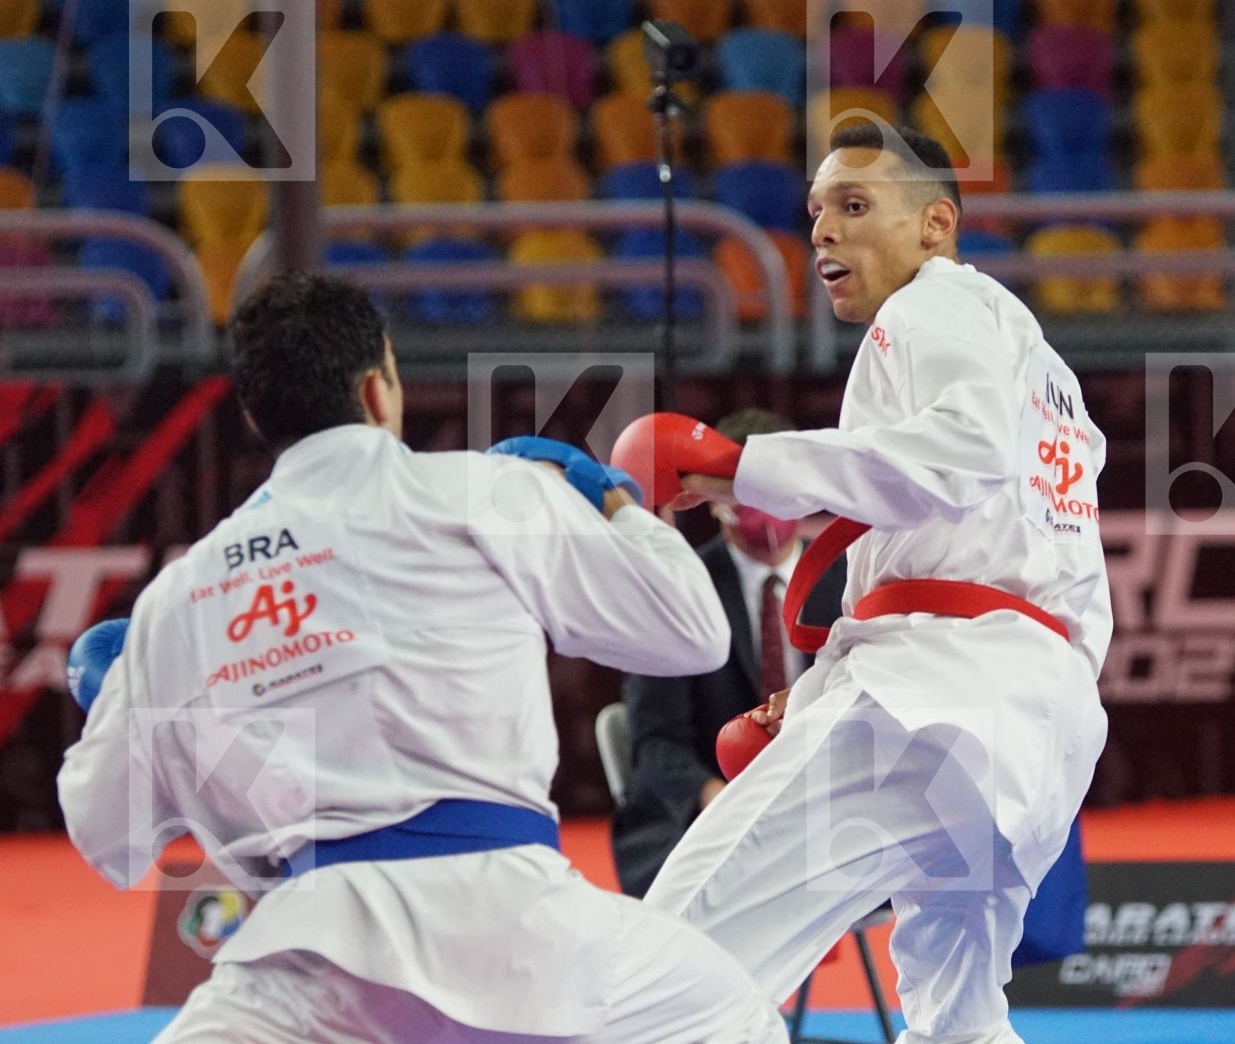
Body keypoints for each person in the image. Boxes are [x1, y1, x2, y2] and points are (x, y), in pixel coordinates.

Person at [57, 273, 786, 1044]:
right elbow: (694, 634)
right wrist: (613, 504)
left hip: (310, 961)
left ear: (253, 415)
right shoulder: (489, 490)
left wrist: (127, 701)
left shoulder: (186, 594)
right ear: (378, 389)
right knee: (730, 1014)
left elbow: (105, 830)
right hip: (523, 932)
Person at [645, 123, 1113, 1044]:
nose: (824, 232)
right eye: (816, 212)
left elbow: (959, 456)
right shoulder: (1044, 373)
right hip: (1031, 728)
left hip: (931, 703)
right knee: (961, 1022)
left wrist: (744, 467)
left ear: (936, 225)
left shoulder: (930, 309)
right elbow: (957, 537)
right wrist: (818, 691)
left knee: (670, 966)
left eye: (855, 208)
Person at [610, 408, 847, 898]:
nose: (768, 506)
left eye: (778, 488)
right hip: (713, 814)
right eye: (748, 490)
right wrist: (721, 800)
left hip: (831, 810)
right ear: (713, 499)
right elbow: (656, 741)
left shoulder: (851, 584)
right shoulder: (676, 590)